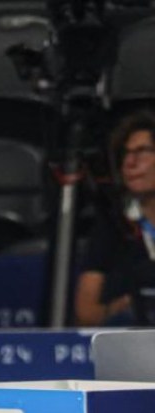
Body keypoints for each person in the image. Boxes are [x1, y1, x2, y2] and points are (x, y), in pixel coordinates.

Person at [74, 110, 155, 327]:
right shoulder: (112, 226)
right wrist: (127, 306)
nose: (130, 162)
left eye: (141, 152)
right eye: (125, 154)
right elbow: (86, 313)